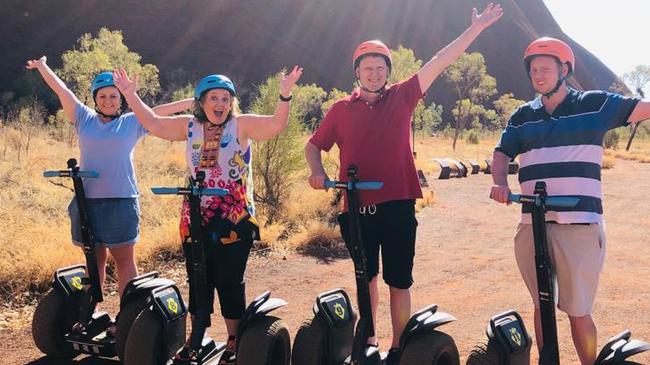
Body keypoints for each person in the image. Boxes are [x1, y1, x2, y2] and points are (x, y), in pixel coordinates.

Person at [305, 4, 503, 362]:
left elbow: (441, 60)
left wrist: (475, 29)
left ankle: (399, 346)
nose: (375, 73)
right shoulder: (340, 110)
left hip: (397, 204)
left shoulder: (403, 95)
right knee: (366, 279)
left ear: (388, 72)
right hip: (357, 206)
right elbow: (313, 145)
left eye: (381, 68)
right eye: (368, 68)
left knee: (399, 280)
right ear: (357, 72)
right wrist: (316, 172)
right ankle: (368, 341)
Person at [112, 66, 302, 364]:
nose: (220, 104)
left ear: (231, 102)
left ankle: (234, 337)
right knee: (198, 276)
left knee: (229, 279)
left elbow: (277, 124)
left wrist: (285, 92)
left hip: (233, 218)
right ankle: (196, 335)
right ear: (201, 102)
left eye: (225, 98)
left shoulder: (241, 125)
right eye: (213, 98)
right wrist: (130, 95)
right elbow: (151, 122)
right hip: (195, 218)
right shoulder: (189, 126)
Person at [489, 36, 650, 365]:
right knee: (542, 304)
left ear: (564, 70)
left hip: (579, 225)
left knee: (578, 311)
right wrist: (499, 182)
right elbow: (501, 153)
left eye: (546, 68)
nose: (539, 75)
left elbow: (642, 108)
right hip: (532, 223)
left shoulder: (596, 104)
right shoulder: (522, 116)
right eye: (534, 70)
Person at [25, 56, 191, 303]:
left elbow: (157, 113)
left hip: (121, 201)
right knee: (94, 260)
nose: (108, 101)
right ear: (95, 98)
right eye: (102, 96)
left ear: (121, 99)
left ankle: (126, 318)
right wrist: (42, 67)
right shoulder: (83, 118)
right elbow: (62, 90)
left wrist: (191, 101)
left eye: (113, 96)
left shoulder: (132, 121)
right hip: (87, 202)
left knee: (124, 260)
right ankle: (88, 311)